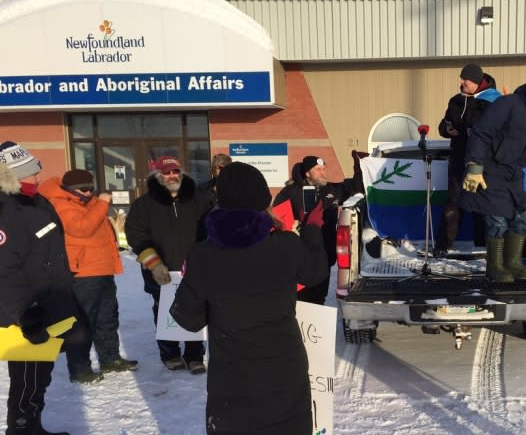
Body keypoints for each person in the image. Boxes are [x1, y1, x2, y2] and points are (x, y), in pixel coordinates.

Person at [170, 162, 328, 434]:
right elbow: (316, 272)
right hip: (284, 375)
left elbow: (188, 319)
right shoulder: (286, 245)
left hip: (232, 382)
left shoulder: (203, 255)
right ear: (263, 200)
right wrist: (313, 228)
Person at [0, 140, 91, 435]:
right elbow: (4, 271)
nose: (35, 178)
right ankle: (21, 429)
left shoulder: (37, 200)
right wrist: (24, 314)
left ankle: (33, 425)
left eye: (34, 171)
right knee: (26, 377)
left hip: (51, 301)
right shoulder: (5, 210)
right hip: (25, 314)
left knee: (41, 375)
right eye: (25, 174)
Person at [459, 77, 526, 282]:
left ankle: (513, 263)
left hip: (513, 176)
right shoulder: (508, 104)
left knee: (523, 214)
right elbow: (481, 134)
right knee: (497, 219)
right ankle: (495, 267)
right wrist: (474, 166)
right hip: (489, 171)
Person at [39, 169, 138, 383]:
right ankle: (79, 368)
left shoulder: (87, 203)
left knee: (107, 317)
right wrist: (102, 203)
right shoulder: (60, 203)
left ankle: (110, 358)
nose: (89, 192)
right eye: (84, 189)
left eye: (91, 188)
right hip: (82, 273)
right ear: (69, 189)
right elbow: (82, 228)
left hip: (102, 269)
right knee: (83, 322)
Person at [125, 156, 212, 373]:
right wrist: (154, 264)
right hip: (160, 272)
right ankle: (170, 353)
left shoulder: (199, 199)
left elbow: (211, 229)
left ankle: (194, 355)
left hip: (193, 270)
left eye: (175, 171)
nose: (172, 176)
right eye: (166, 172)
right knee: (164, 313)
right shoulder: (143, 205)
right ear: (157, 175)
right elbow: (135, 235)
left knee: (195, 311)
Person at [272, 155, 361, 305]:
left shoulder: (331, 190)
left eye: (323, 169)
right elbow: (276, 218)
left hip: (323, 256)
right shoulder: (290, 192)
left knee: (318, 298)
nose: (322, 172)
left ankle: (314, 328)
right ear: (307, 173)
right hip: (298, 256)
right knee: (300, 299)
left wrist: (358, 167)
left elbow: (356, 188)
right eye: (318, 169)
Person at [433, 63, 501, 256]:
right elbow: (443, 125)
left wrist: (476, 132)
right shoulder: (455, 101)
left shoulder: (493, 101)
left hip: (484, 162)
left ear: (478, 81)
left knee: (483, 202)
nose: (462, 82)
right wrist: (447, 129)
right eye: (461, 78)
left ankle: (485, 244)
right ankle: (443, 245)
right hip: (459, 158)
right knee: (453, 202)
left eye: (466, 80)